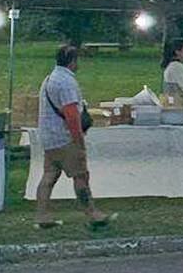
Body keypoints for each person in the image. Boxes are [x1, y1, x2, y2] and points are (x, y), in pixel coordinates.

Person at [35, 45, 114, 230]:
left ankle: (42, 215)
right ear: (73, 61)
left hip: (49, 137)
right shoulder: (66, 83)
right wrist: (79, 140)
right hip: (65, 138)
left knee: (49, 175)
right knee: (81, 175)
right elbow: (71, 115)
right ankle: (92, 213)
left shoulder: (50, 79)